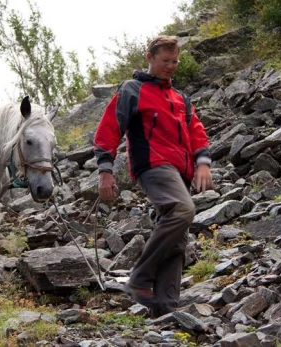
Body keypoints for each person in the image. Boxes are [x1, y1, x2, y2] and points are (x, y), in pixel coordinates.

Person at [93, 35, 212, 317]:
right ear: (149, 57)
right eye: (164, 61)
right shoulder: (132, 90)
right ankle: (139, 278)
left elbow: (196, 131)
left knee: (177, 238)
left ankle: (166, 308)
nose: (170, 66)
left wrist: (203, 162)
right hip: (153, 165)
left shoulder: (180, 97)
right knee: (183, 210)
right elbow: (109, 129)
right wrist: (105, 170)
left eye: (175, 62)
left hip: (181, 171)